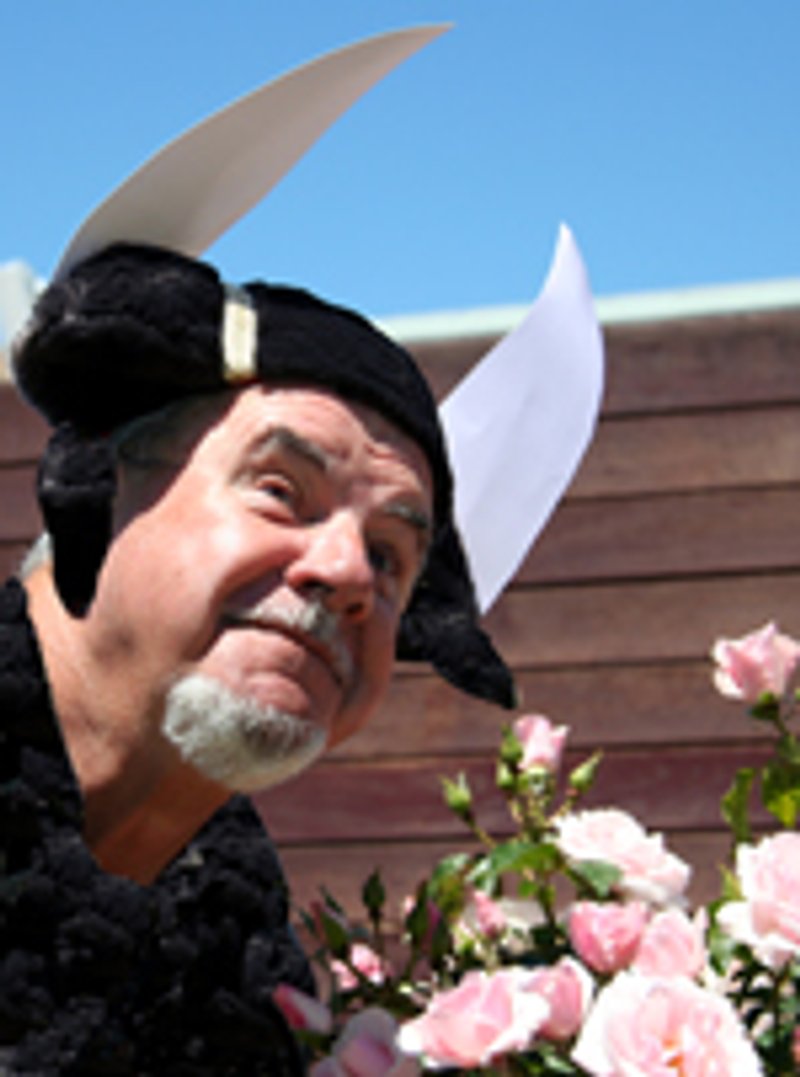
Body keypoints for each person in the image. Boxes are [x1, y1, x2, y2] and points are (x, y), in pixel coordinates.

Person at [0, 242, 514, 1074]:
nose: (349, 571)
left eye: (389, 555)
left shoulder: (241, 962)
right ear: (98, 484)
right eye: (280, 490)